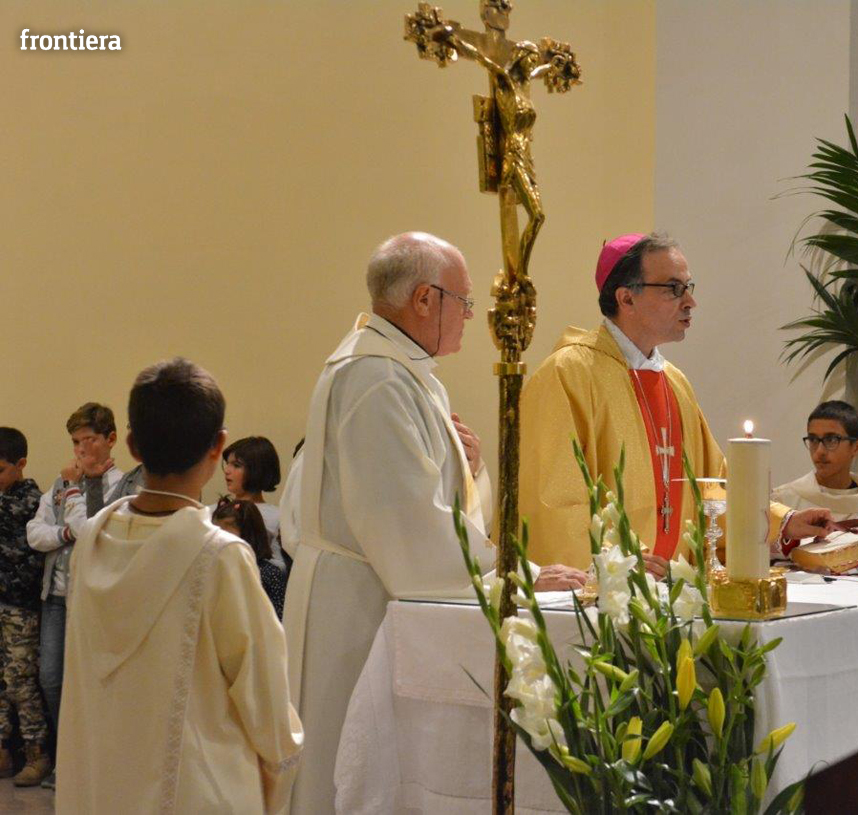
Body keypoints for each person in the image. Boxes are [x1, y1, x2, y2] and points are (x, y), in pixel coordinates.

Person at [280, 231, 585, 814]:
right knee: (345, 773)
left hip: (374, 593)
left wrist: (472, 468)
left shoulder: (405, 371)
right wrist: (517, 578)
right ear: (424, 299)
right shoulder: (375, 377)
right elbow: (409, 532)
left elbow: (433, 503)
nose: (471, 316)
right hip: (358, 607)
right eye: (464, 301)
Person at [56, 358, 303, 813]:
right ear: (218, 446)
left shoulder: (92, 539)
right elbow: (265, 699)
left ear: (131, 444)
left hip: (103, 785)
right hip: (193, 791)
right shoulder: (220, 556)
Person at [519, 232, 833, 572]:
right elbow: (553, 501)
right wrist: (619, 563)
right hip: (609, 588)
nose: (690, 301)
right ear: (626, 298)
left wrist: (783, 522)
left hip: (672, 582)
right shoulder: (567, 374)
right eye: (673, 288)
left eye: (688, 287)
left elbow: (712, 487)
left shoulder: (674, 382)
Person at [25, 401, 143, 789]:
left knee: (90, 683)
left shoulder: (124, 486)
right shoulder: (60, 484)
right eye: (75, 442)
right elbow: (35, 533)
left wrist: (75, 507)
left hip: (95, 600)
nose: (80, 449)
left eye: (89, 440)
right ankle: (66, 755)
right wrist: (64, 533)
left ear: (111, 440)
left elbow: (93, 531)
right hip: (57, 595)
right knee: (50, 677)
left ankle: (87, 763)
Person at [0, 427, 50, 786]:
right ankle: (2, 750)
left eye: (0, 469)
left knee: (21, 682)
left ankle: (37, 752)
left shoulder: (32, 502)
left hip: (20, 607)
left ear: (20, 464)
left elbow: (32, 559)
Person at [773, 400, 858, 522]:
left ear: (857, 447)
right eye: (813, 440)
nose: (820, 451)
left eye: (831, 440)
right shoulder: (783, 502)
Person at [221, 435, 288, 571]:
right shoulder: (216, 511)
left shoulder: (277, 517)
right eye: (227, 463)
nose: (227, 470)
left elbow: (280, 567)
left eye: (236, 465)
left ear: (257, 470)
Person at [213, 497, 287, 619]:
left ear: (248, 536)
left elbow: (278, 617)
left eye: (227, 538)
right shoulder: (213, 570)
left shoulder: (269, 573)